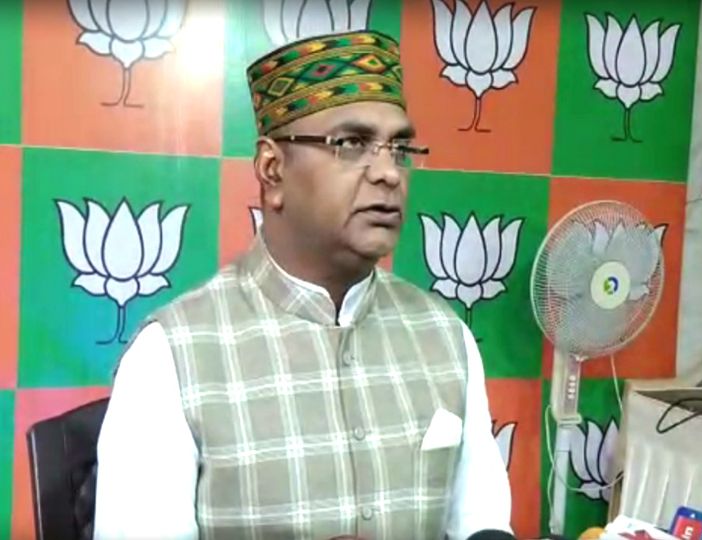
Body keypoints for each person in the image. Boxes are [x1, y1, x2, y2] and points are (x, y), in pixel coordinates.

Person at [93, 30, 512, 540]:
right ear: (272, 170)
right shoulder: (171, 356)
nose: (388, 173)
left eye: (400, 148)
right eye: (351, 144)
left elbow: (484, 525)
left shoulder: (446, 337)